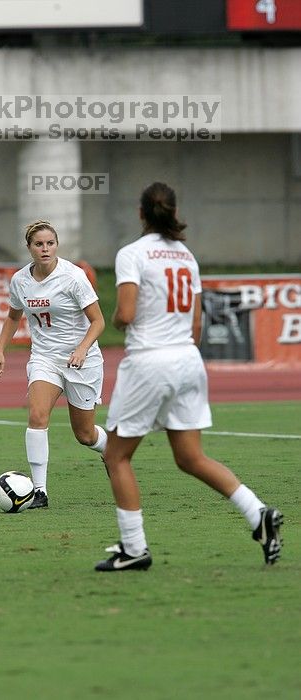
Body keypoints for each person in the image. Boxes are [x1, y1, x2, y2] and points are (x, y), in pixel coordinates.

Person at [95, 182, 283, 571]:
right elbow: (196, 323)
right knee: (190, 456)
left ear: (141, 213)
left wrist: (115, 317)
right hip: (187, 360)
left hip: (150, 361)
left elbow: (126, 315)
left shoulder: (133, 253)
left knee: (116, 457)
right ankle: (258, 513)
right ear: (173, 211)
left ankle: (134, 549)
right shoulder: (186, 256)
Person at [0, 220, 107, 508]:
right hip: (45, 358)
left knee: (85, 434)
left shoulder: (73, 276)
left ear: (57, 245)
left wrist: (81, 349)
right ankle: (39, 491)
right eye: (39, 244)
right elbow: (13, 316)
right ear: (29, 247)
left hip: (83, 360)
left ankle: (112, 448)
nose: (45, 249)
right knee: (37, 416)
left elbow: (99, 321)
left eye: (50, 243)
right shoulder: (20, 280)